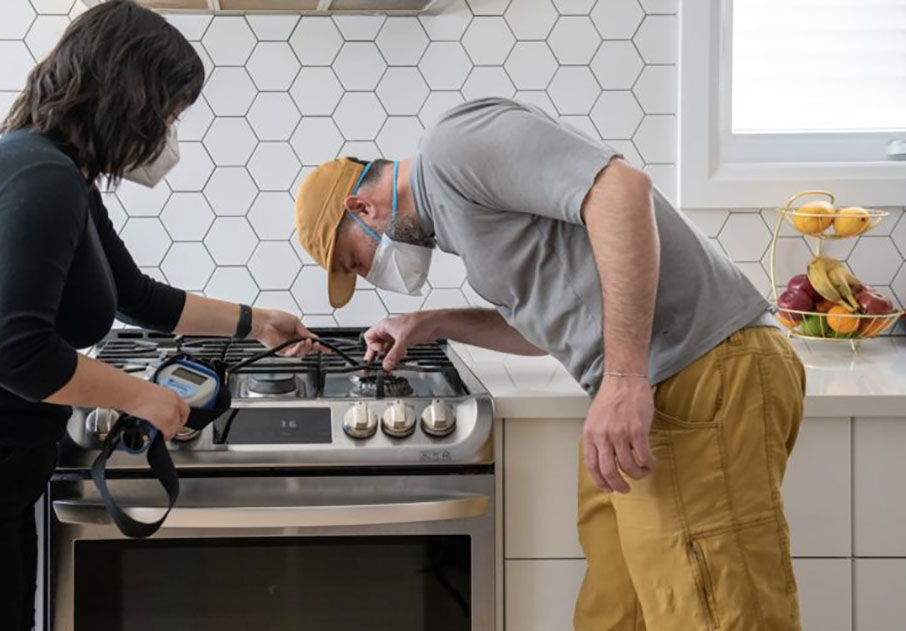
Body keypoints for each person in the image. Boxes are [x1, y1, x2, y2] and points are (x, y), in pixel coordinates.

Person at [294, 97, 806, 631]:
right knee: (613, 612)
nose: (374, 272)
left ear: (362, 209)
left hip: (696, 372)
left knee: (714, 612)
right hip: (650, 389)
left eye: (356, 260)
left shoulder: (451, 148)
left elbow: (621, 192)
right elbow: (550, 327)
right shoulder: (460, 225)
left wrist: (624, 376)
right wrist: (432, 323)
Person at [0, 2, 318, 629]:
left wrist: (256, 321)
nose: (169, 132)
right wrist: (140, 396)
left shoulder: (63, 173)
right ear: (131, 99)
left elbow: (133, 295)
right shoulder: (41, 178)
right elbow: (13, 352)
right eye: (169, 113)